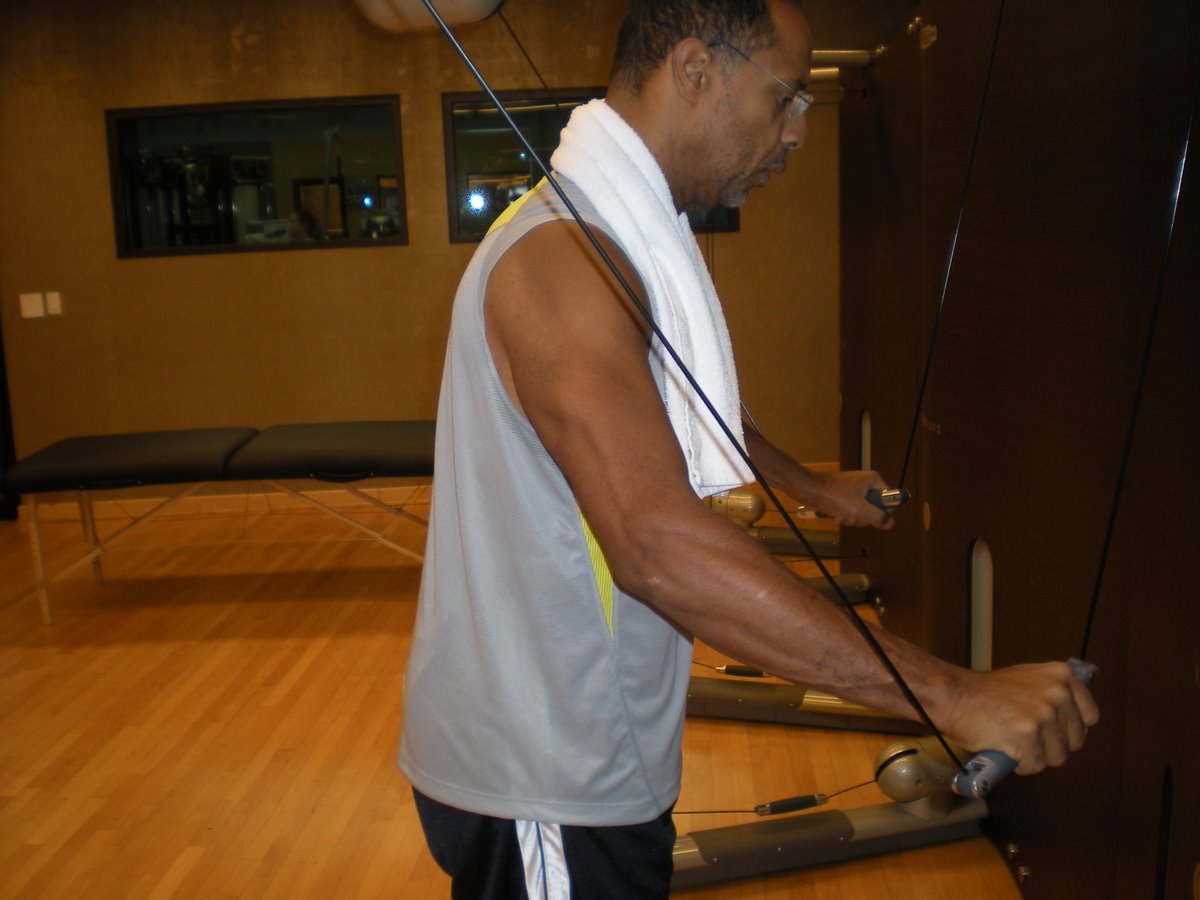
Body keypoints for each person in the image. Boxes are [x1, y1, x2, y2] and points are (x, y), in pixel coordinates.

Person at [399, 1, 1099, 897]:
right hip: (543, 770)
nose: (797, 130)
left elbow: (679, 402)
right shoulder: (562, 265)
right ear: (696, 70)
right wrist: (955, 696)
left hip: (576, 744)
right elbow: (658, 547)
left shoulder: (611, 232)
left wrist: (810, 486)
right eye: (787, 96)